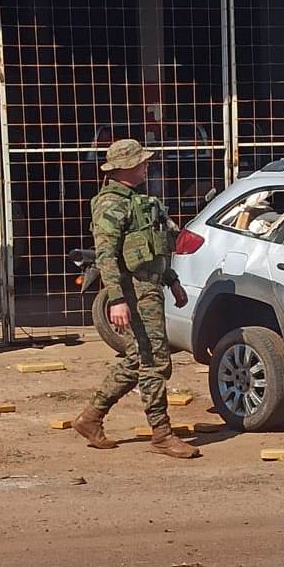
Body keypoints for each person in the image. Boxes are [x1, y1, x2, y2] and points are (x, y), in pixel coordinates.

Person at [73, 138, 200, 459]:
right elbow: (106, 256)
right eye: (141, 162)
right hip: (133, 292)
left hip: (150, 287)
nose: (147, 165)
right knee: (155, 362)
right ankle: (161, 433)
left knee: (137, 360)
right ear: (125, 167)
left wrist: (172, 281)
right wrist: (116, 299)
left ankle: (91, 417)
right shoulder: (111, 204)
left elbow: (153, 245)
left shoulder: (137, 200)